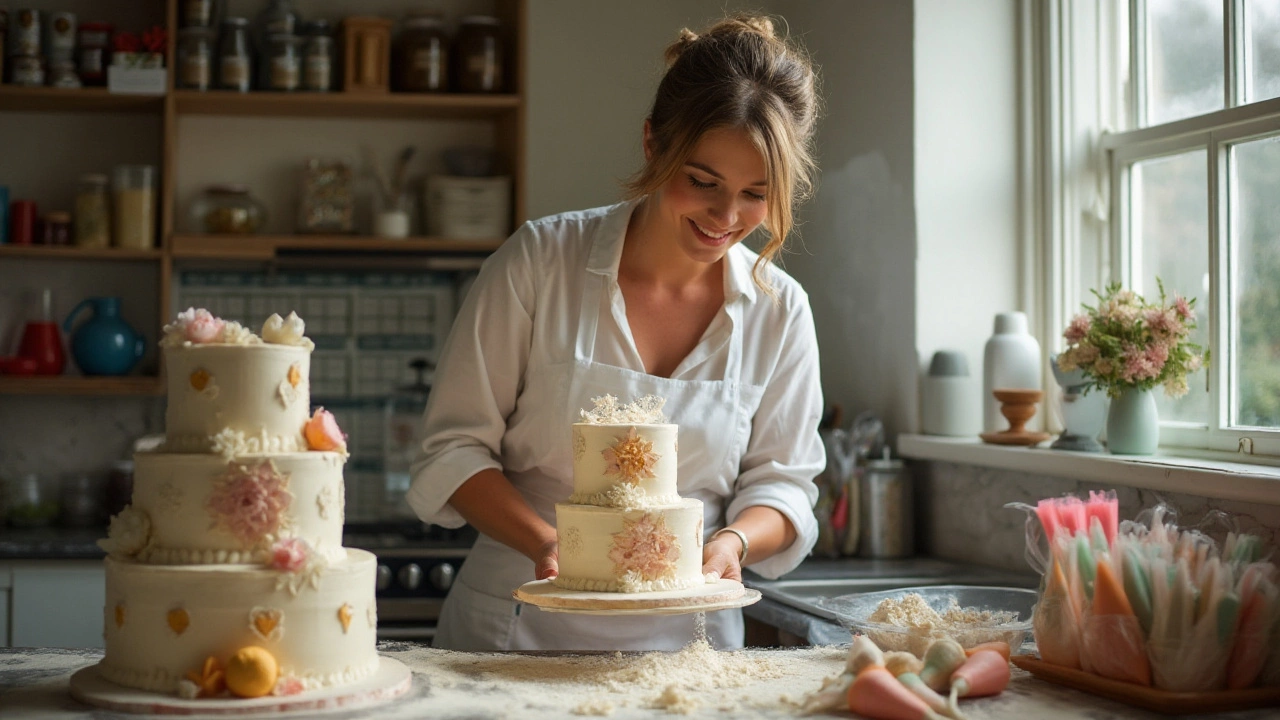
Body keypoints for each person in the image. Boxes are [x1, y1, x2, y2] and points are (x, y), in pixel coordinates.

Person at [406, 14, 825, 652]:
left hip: (691, 649)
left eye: (755, 194)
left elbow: (784, 484)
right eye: (702, 182)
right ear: (654, 145)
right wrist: (556, 544)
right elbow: (455, 451)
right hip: (513, 637)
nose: (726, 217)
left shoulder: (780, 310)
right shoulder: (539, 263)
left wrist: (732, 542)